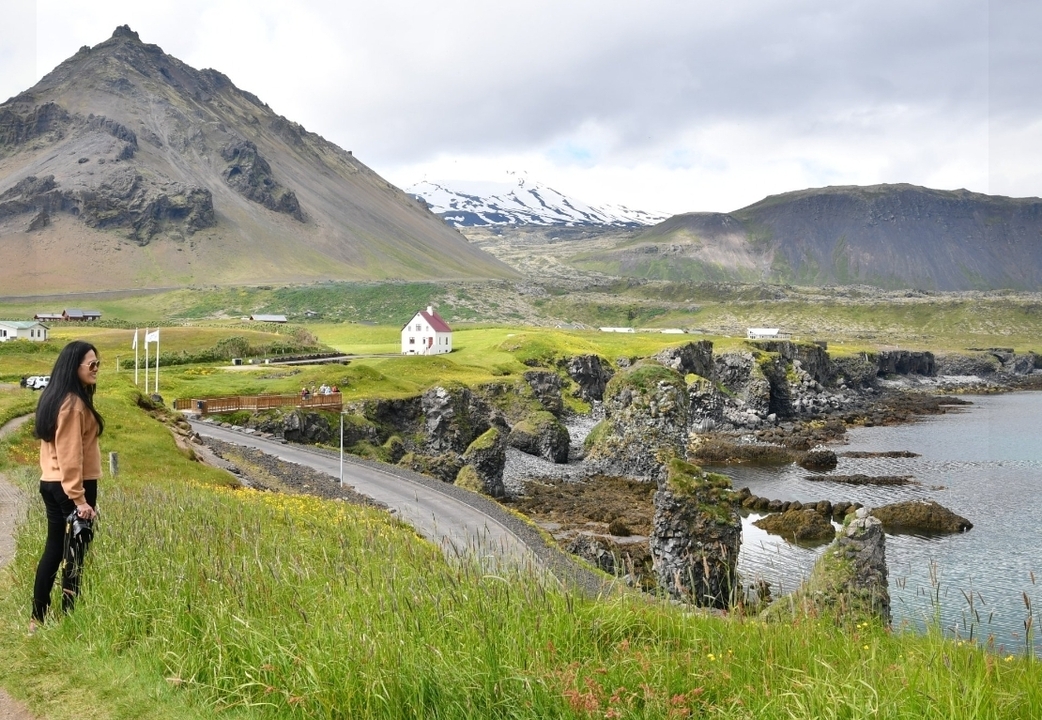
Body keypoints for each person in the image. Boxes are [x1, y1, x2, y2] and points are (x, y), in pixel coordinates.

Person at [31, 341, 104, 630]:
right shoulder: (73, 404)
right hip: (72, 487)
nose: (96, 369)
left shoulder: (54, 397)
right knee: (74, 552)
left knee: (54, 549)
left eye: (98, 363)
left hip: (51, 482)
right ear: (74, 367)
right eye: (91, 365)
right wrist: (80, 499)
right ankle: (69, 617)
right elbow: (70, 453)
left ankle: (37, 617)